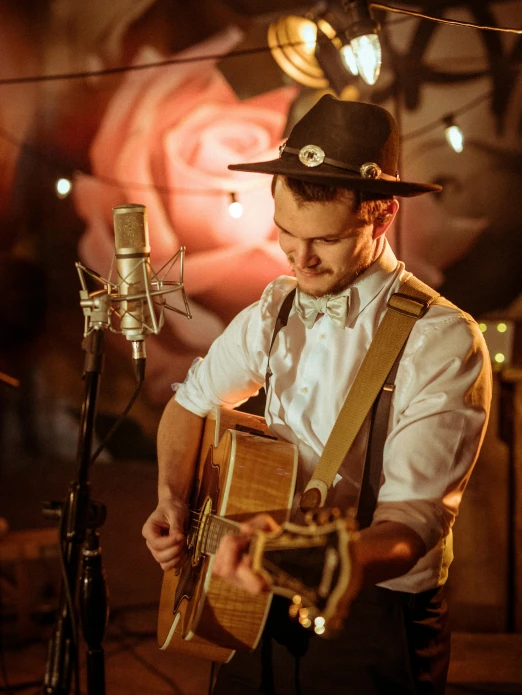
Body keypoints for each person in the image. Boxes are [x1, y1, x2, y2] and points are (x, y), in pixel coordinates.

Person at [142, 96, 492, 694]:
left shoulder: (443, 341)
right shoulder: (273, 309)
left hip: (373, 617)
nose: (299, 259)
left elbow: (411, 522)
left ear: (379, 216)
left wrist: (331, 562)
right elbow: (190, 404)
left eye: (323, 241)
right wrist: (173, 501)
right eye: (285, 234)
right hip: (249, 595)